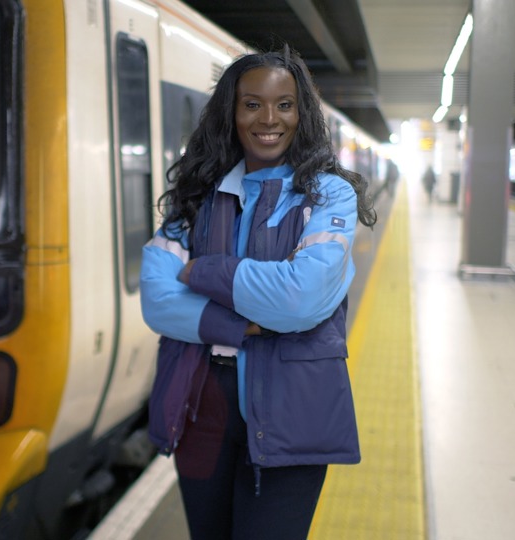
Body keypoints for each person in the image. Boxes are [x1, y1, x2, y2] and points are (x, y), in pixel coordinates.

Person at [139, 44, 377, 540]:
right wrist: (242, 324)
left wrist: (204, 270)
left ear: (301, 113)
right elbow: (157, 299)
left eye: (284, 105)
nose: (269, 119)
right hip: (201, 405)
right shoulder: (197, 195)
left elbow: (300, 299)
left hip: (294, 409)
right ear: (231, 112)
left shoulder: (328, 195)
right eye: (252, 104)